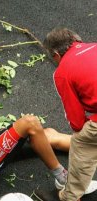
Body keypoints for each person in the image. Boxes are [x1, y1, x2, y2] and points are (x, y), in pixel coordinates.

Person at [35, 28, 97, 201]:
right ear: (77, 40)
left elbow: (76, 120)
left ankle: (69, 197)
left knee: (82, 147)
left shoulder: (63, 72)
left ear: (55, 54)